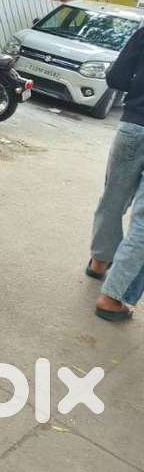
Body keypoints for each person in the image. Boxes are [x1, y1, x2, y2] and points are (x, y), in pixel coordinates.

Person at [88, 26, 144, 321]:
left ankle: (99, 262)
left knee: (113, 197)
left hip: (133, 126)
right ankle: (112, 297)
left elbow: (116, 77)